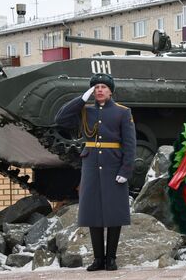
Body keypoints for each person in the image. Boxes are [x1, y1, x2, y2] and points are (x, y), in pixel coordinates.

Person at [55, 73, 136, 271]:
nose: (99, 90)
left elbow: (130, 144)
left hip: (113, 164)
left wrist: (126, 169)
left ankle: (111, 258)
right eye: (96, 87)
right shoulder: (85, 111)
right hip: (91, 165)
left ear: (110, 91)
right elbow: (60, 119)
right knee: (93, 212)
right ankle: (98, 259)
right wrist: (81, 99)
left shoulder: (122, 112)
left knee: (114, 211)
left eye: (103, 87)